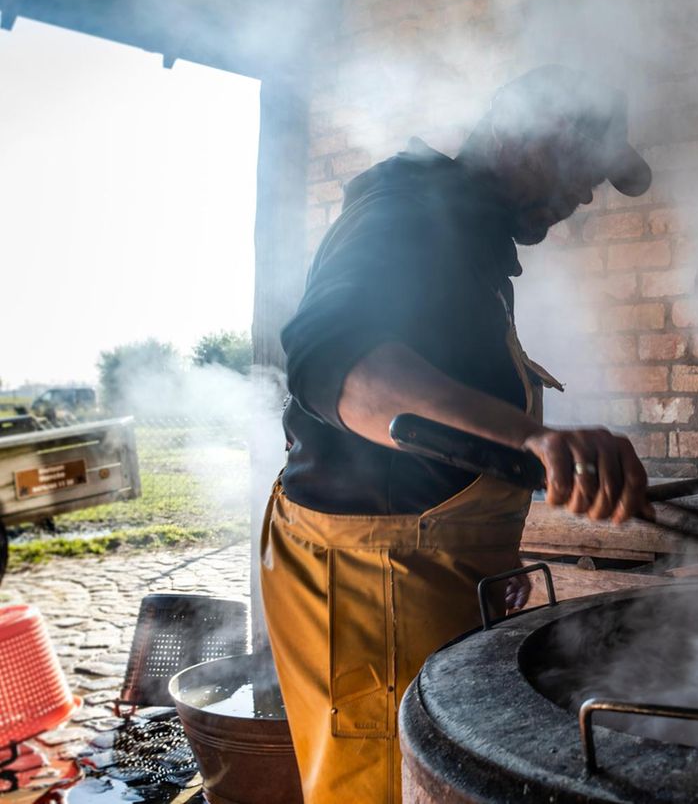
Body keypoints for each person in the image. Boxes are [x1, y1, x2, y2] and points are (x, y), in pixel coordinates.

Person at [260, 65, 655, 803]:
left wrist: (503, 522)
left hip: (426, 575)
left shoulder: (470, 245)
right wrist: (535, 441)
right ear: (519, 133)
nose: (585, 192)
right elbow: (332, 363)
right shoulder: (403, 212)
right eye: (580, 163)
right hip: (371, 587)